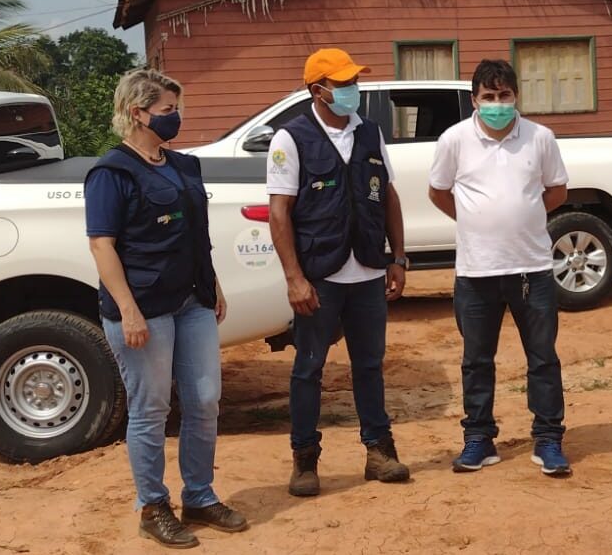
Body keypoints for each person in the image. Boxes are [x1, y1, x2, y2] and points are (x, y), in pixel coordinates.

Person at [86, 68, 247, 549]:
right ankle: (153, 506)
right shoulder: (111, 173)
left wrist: (212, 284)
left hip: (191, 301)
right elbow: (101, 246)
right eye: (167, 111)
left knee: (203, 401)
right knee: (151, 407)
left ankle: (199, 495)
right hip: (144, 310)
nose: (176, 118)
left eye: (177, 109)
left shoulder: (183, 167)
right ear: (137, 113)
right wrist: (128, 311)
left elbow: (197, 235)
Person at [268, 48, 410, 497]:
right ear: (318, 90)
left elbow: (387, 195)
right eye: (343, 83)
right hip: (320, 276)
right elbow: (279, 214)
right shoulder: (291, 139)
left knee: (369, 365)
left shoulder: (369, 133)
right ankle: (305, 460)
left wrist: (398, 257)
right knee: (309, 368)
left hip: (367, 270)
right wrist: (294, 277)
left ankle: (379, 451)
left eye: (354, 81)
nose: (353, 90)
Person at [428, 58, 572, 476]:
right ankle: (478, 438)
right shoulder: (454, 140)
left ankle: (548, 439)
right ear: (474, 100)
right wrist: (475, 220)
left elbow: (557, 191)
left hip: (532, 268)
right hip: (476, 271)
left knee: (542, 357)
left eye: (504, 96)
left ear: (516, 97)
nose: (497, 104)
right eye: (488, 97)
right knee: (476, 359)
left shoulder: (540, 138)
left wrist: (522, 215)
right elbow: (439, 192)